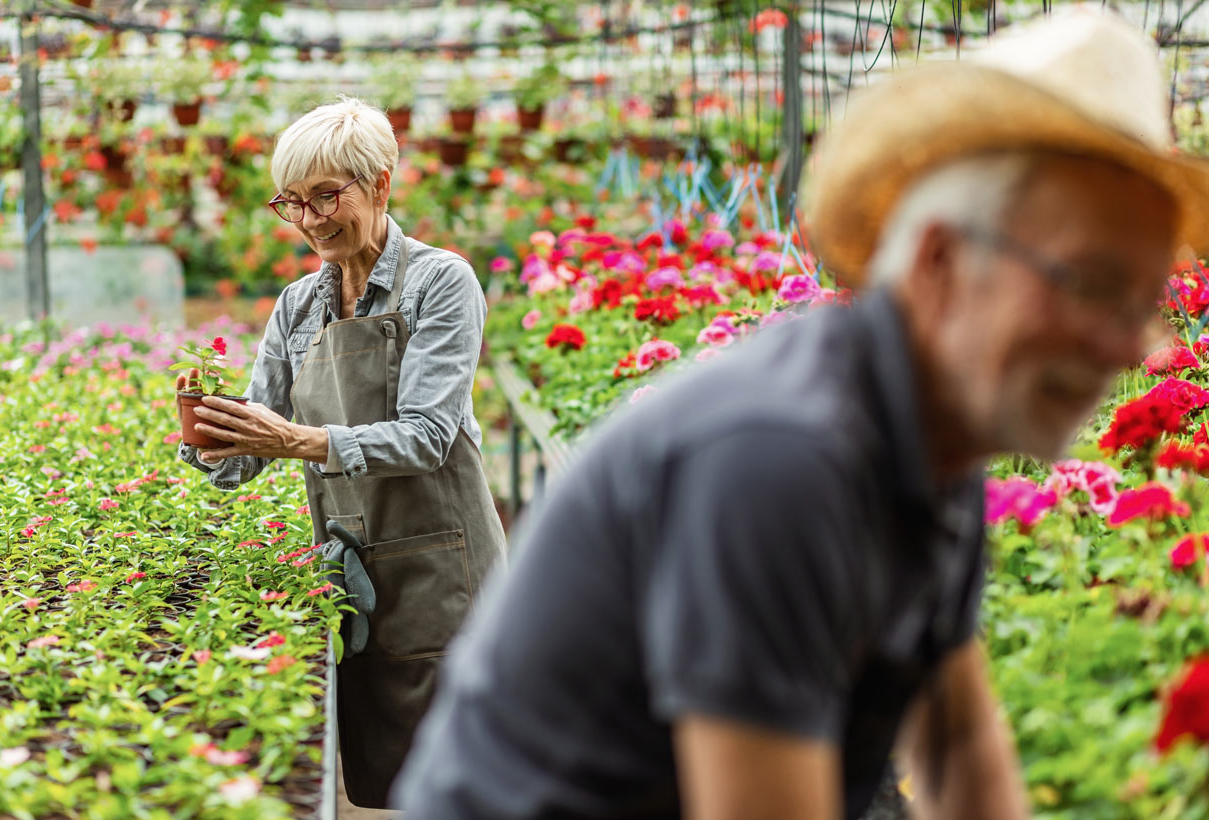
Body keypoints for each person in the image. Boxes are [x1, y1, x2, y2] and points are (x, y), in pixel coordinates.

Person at [394, 12, 1209, 820]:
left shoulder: (933, 438)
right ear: (940, 259)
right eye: (1093, 286)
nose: (1129, 350)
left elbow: (958, 742)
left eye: (1142, 307)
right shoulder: (780, 455)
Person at [175, 97, 505, 808]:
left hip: (447, 571)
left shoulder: (440, 282)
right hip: (356, 574)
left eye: (327, 195)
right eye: (292, 202)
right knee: (390, 779)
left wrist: (295, 439)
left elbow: (426, 435)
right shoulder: (298, 305)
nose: (309, 219)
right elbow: (244, 460)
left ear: (381, 183)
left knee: (468, 781)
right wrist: (207, 434)